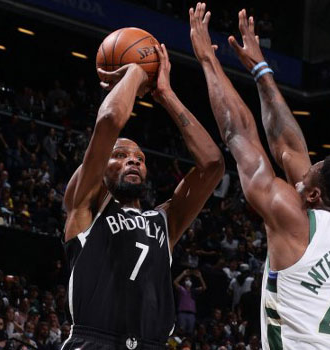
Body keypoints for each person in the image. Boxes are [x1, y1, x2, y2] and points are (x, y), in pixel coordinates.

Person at [189, 4, 330, 350]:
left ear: (314, 196)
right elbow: (289, 147)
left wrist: (208, 62)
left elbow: (239, 135)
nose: (304, 169)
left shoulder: (295, 221)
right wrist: (260, 70)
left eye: (309, 176)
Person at [61, 42, 223, 350]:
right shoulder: (85, 206)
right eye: (120, 155)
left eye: (139, 157)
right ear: (99, 164)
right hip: (95, 342)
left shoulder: (164, 221)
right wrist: (136, 72)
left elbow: (213, 165)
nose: (133, 160)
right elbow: (109, 119)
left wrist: (166, 95)